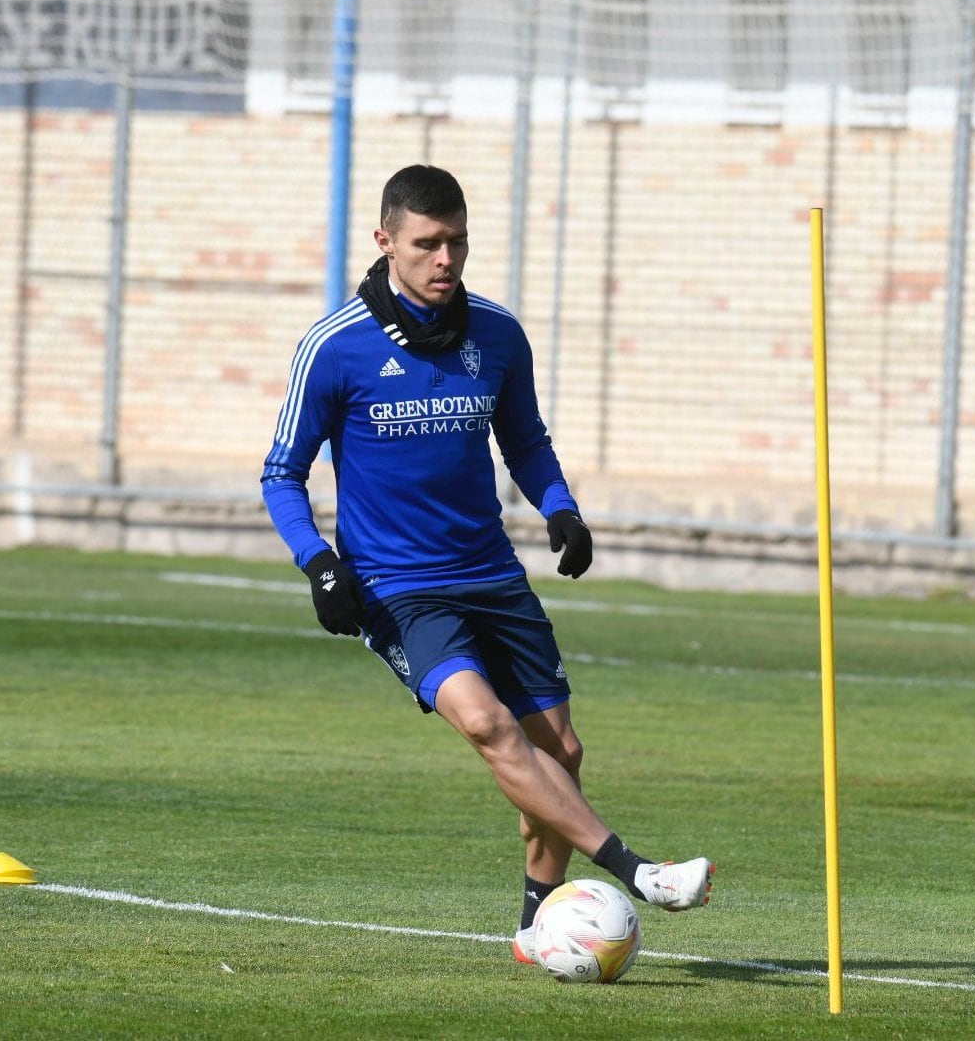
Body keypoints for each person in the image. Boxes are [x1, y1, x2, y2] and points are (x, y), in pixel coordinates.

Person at [261, 165, 713, 964]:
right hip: (398, 589)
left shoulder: (497, 334)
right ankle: (638, 872)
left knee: (562, 753)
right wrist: (319, 564)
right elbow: (280, 473)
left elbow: (526, 440)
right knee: (488, 723)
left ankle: (535, 930)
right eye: (427, 243)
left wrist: (561, 507)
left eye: (457, 242)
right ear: (386, 242)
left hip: (493, 575)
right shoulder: (334, 348)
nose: (445, 259)